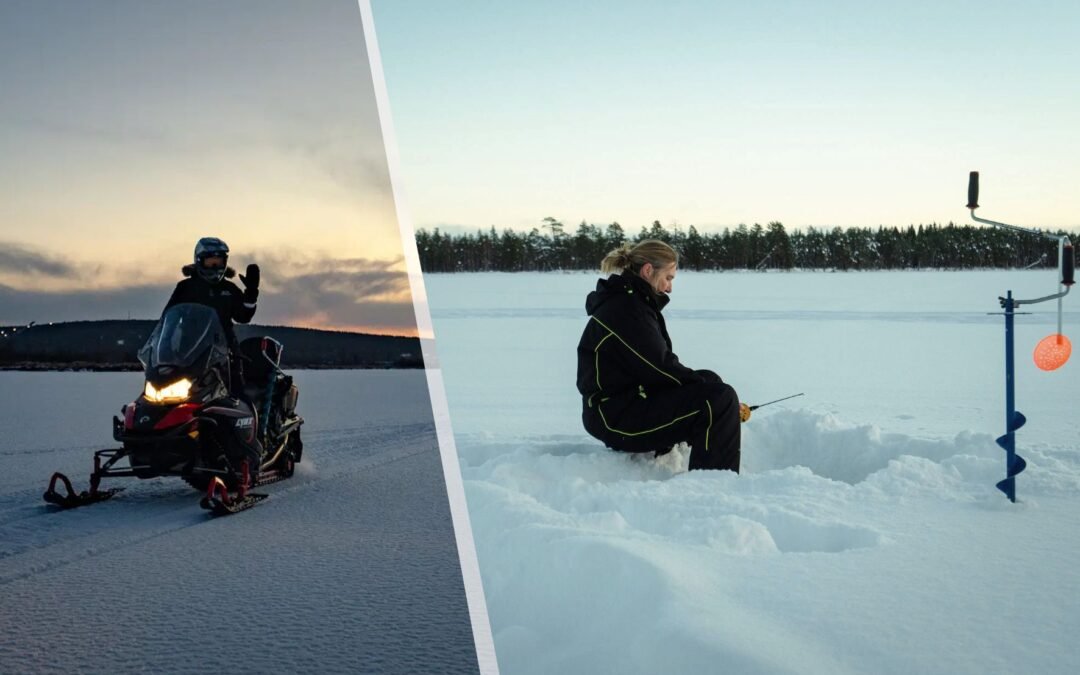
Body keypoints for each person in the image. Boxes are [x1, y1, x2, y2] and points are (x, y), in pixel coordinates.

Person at [575, 239, 748, 472]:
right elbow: (660, 367)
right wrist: (716, 395)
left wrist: (705, 382)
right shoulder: (626, 309)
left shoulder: (633, 301)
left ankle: (693, 456)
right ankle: (714, 485)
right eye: (668, 278)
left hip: (630, 401)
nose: (669, 288)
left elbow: (656, 367)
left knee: (712, 382)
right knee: (717, 400)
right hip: (613, 417)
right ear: (648, 270)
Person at [164, 237, 260, 394]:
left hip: (225, 353)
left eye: (219, 261)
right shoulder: (186, 287)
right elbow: (168, 318)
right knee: (175, 395)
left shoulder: (228, 288)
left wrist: (250, 295)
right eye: (211, 261)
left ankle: (249, 416)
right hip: (190, 354)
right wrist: (165, 345)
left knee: (238, 396)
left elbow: (243, 317)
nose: (215, 266)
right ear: (199, 260)